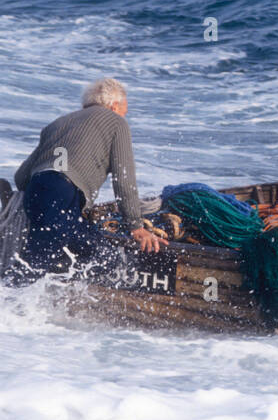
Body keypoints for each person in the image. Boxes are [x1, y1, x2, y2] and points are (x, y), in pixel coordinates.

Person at [11, 77, 166, 278]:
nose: (124, 116)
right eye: (124, 112)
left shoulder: (58, 124)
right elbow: (123, 179)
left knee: (89, 256)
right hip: (63, 196)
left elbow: (21, 177)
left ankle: (42, 302)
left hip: (37, 193)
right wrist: (136, 226)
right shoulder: (116, 123)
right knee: (40, 265)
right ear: (114, 106)